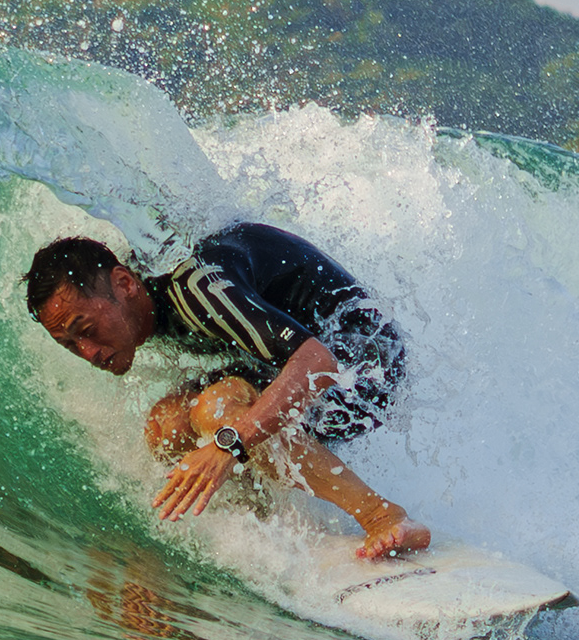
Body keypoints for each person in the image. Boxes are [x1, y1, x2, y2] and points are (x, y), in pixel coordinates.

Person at [24, 224, 433, 561]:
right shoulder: (143, 292)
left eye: (86, 330)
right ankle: (265, 524)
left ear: (124, 283)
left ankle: (382, 515)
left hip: (365, 366)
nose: (88, 353)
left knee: (217, 412)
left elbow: (318, 363)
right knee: (166, 426)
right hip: (299, 357)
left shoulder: (198, 290)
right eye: (70, 345)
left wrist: (229, 445)